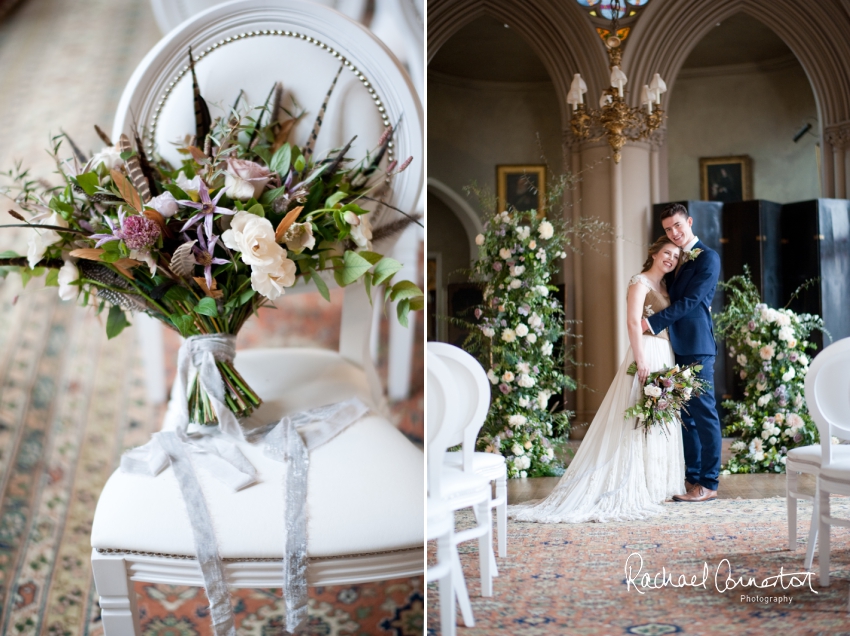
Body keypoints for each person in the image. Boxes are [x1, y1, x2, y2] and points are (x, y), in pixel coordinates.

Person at [509, 236, 685, 523]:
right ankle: (634, 482)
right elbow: (631, 321)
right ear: (654, 252)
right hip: (647, 350)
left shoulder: (665, 286)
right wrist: (641, 359)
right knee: (638, 414)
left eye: (675, 257)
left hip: (665, 353)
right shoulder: (639, 282)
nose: (670, 259)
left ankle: (657, 484)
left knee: (659, 417)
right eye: (667, 253)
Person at [642, 203, 722, 503]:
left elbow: (691, 301)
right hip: (674, 348)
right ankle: (693, 479)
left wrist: (652, 323)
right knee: (685, 416)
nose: (674, 233)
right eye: (667, 229)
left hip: (698, 346)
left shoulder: (708, 258)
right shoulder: (675, 260)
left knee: (704, 414)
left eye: (677, 226)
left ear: (688, 221)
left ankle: (709, 483)